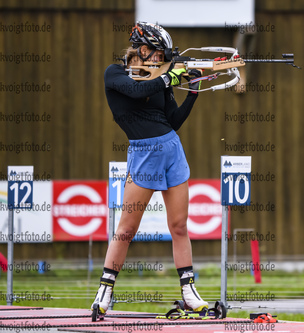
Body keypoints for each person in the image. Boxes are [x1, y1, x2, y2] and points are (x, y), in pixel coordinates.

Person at [91, 22, 208, 319]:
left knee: (180, 226)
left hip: (172, 149)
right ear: (143, 50)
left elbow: (174, 120)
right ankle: (104, 292)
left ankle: (189, 293)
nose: (162, 60)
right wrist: (169, 77)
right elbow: (135, 90)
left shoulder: (161, 80)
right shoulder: (115, 74)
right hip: (143, 154)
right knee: (127, 229)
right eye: (158, 54)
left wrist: (192, 92)